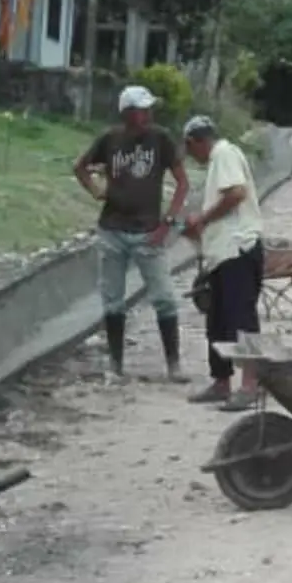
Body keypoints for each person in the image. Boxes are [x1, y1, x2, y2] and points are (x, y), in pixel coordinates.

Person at [73, 85, 191, 381]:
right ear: (128, 113)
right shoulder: (110, 139)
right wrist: (96, 190)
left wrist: (167, 222)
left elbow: (182, 183)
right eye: (142, 109)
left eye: (149, 109)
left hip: (148, 231)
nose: (148, 114)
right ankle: (116, 364)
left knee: (163, 297)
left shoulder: (160, 138)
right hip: (112, 229)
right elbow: (80, 166)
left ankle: (174, 364)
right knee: (113, 299)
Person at [181, 116, 264, 411]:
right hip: (222, 253)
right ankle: (221, 381)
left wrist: (203, 219)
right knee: (217, 320)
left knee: (241, 318)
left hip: (237, 249)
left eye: (190, 149)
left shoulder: (224, 153)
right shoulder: (218, 160)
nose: (192, 155)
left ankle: (250, 384)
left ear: (196, 142)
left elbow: (236, 193)